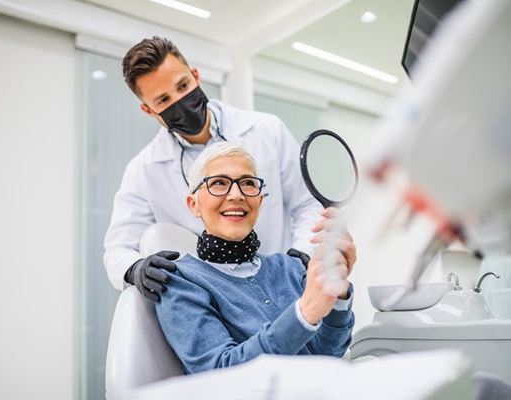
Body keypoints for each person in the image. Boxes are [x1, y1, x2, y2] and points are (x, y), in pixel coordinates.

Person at [103, 37, 325, 302]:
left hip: (285, 287)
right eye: (163, 100)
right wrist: (134, 268)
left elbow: (308, 206)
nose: (180, 101)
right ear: (148, 110)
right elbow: (118, 248)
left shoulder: (267, 131)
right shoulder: (144, 170)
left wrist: (299, 257)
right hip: (215, 302)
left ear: (196, 76)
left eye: (183, 85)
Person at [155, 142, 355, 374]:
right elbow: (221, 374)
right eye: (219, 183)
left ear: (259, 201)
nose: (236, 195)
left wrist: (337, 295)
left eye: (248, 183)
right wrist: (305, 312)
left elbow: (328, 354)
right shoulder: (181, 283)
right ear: (194, 205)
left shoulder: (291, 268)